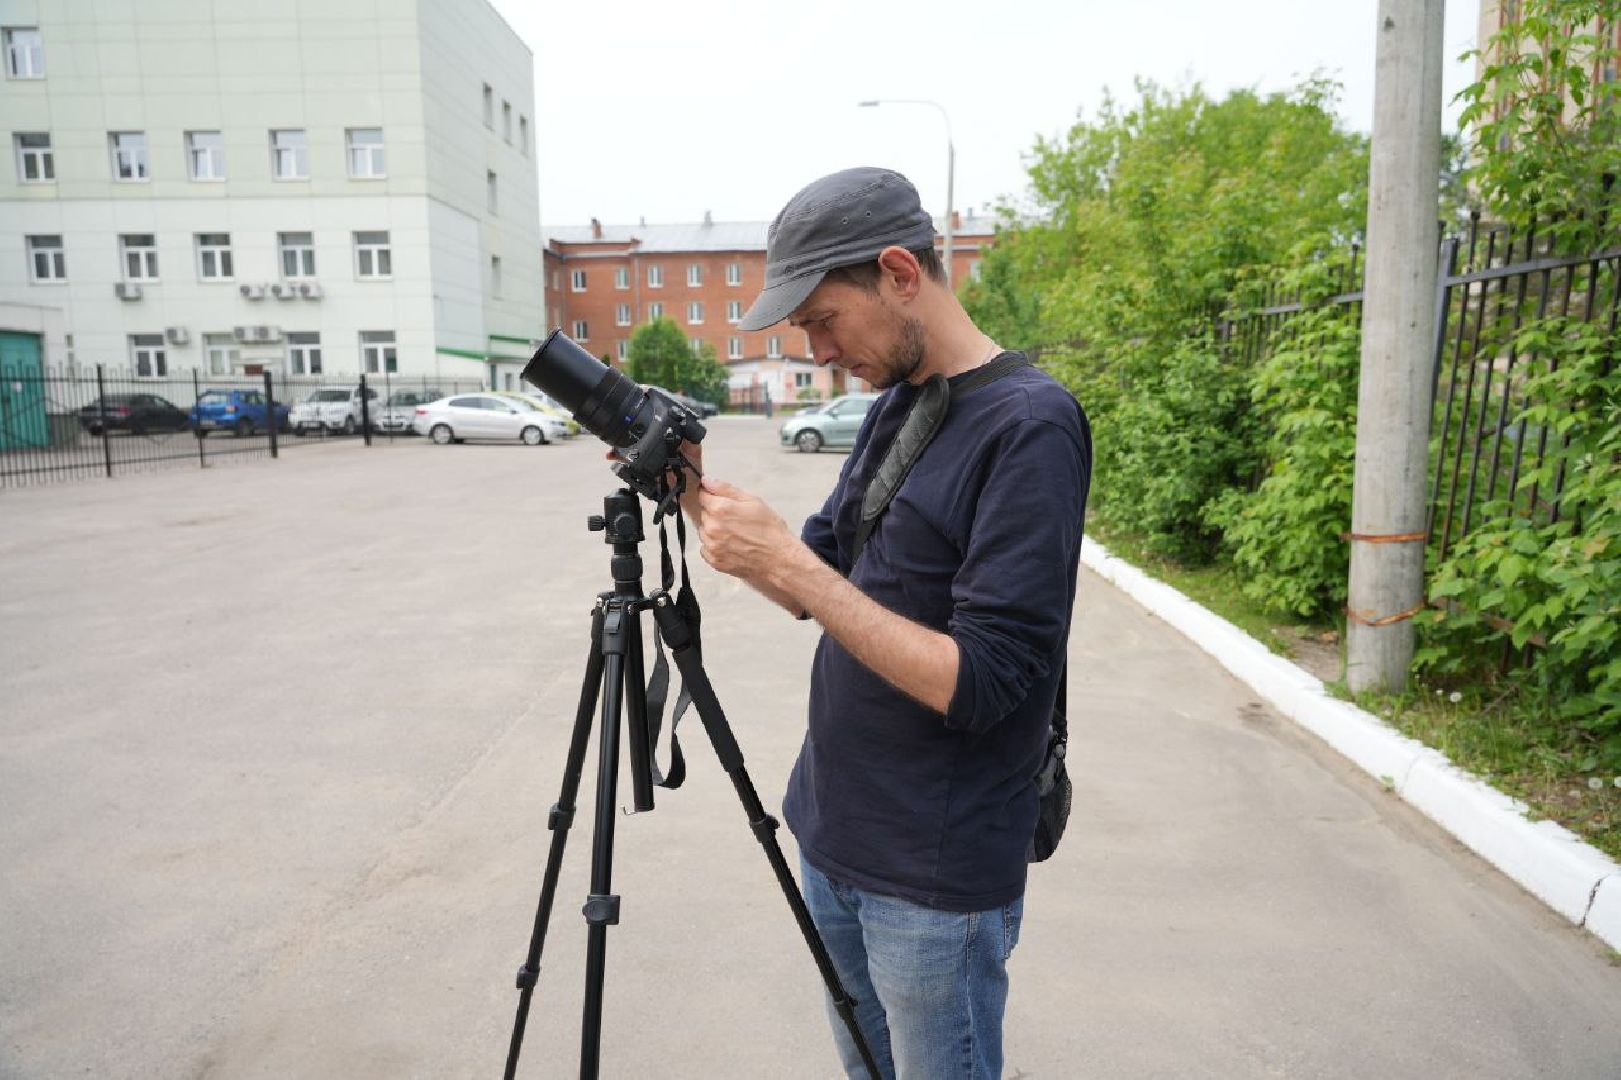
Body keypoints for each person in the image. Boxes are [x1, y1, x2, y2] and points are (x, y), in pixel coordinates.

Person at [684, 167, 1091, 1079]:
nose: (820, 350)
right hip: (831, 828)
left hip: (932, 877)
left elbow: (982, 681)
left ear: (899, 273)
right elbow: (811, 586)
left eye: (824, 319)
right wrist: (690, 495)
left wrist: (789, 562)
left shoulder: (1030, 425)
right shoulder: (898, 407)